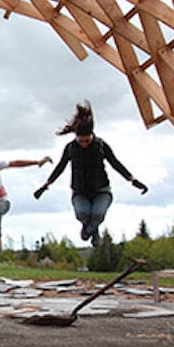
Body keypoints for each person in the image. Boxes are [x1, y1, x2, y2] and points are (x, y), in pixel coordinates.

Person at [33, 101, 147, 246]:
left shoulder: (100, 146)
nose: (84, 144)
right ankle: (93, 230)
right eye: (81, 141)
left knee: (98, 214)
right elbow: (60, 167)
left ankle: (91, 230)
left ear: (92, 135)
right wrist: (45, 186)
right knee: (83, 213)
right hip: (80, 191)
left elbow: (115, 163)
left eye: (87, 140)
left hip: (101, 190)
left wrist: (133, 180)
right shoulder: (71, 148)